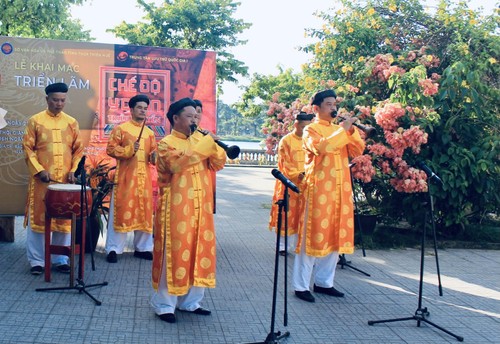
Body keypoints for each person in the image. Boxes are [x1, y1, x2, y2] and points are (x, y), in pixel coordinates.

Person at [151, 98, 226, 323]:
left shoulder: (201, 140)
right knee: (173, 253)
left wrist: (214, 145)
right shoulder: (166, 143)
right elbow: (176, 164)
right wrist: (203, 144)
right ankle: (165, 305)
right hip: (176, 209)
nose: (195, 120)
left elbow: (218, 163)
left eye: (197, 116)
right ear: (175, 118)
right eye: (189, 116)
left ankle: (191, 302)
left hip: (201, 208)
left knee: (198, 251)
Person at [292, 89, 365, 303]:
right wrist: (343, 131)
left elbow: (357, 150)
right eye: (328, 104)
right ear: (316, 108)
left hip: (340, 192)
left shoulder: (338, 129)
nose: (334, 108)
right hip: (318, 192)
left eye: (335, 104)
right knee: (311, 237)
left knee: (335, 236)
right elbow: (323, 148)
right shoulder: (310, 130)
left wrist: (351, 132)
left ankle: (324, 282)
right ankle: (300, 285)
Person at [22, 82, 84, 275]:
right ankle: (37, 261)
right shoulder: (35, 121)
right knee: (39, 219)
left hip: (65, 180)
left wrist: (74, 170)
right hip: (43, 181)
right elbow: (27, 148)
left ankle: (60, 258)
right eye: (55, 100)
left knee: (64, 218)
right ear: (47, 99)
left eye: (62, 100)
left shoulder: (71, 122)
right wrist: (39, 170)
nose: (59, 104)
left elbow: (78, 150)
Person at [105, 94, 157, 263]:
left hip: (145, 180)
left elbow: (153, 157)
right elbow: (111, 149)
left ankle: (143, 248)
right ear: (132, 109)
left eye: (145, 108)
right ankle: (114, 248)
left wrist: (156, 155)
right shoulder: (121, 129)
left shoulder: (149, 133)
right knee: (120, 211)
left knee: (145, 213)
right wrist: (128, 149)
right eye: (140, 107)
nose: (143, 111)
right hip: (125, 179)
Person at [269, 112, 313, 256]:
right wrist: (299, 174)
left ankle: (298, 245)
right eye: (303, 127)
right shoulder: (286, 141)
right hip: (288, 183)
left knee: (302, 215)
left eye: (308, 127)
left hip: (307, 184)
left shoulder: (311, 140)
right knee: (286, 214)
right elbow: (285, 164)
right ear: (295, 124)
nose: (305, 130)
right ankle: (282, 246)